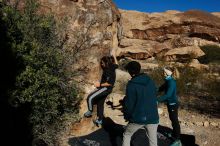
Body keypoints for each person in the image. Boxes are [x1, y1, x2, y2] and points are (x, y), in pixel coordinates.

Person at [122, 61, 159, 146]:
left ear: (130, 71)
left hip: (138, 117)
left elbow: (129, 104)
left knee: (127, 135)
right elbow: (154, 93)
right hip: (153, 116)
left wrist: (127, 116)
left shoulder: (131, 85)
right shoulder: (149, 80)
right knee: (153, 141)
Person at [84, 56, 118, 126]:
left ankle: (90, 111)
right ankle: (100, 120)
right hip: (108, 89)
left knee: (90, 97)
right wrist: (114, 55)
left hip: (105, 88)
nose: (101, 64)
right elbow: (117, 64)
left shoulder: (108, 70)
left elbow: (109, 83)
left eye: (102, 63)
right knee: (100, 103)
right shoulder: (113, 66)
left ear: (106, 63)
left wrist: (99, 85)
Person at [157, 67, 181, 145]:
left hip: (173, 104)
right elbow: (160, 89)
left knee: (175, 121)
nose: (162, 74)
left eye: (164, 72)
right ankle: (174, 134)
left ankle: (177, 140)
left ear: (167, 73)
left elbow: (168, 95)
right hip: (170, 104)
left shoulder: (171, 82)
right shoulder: (168, 81)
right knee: (172, 119)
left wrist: (157, 100)